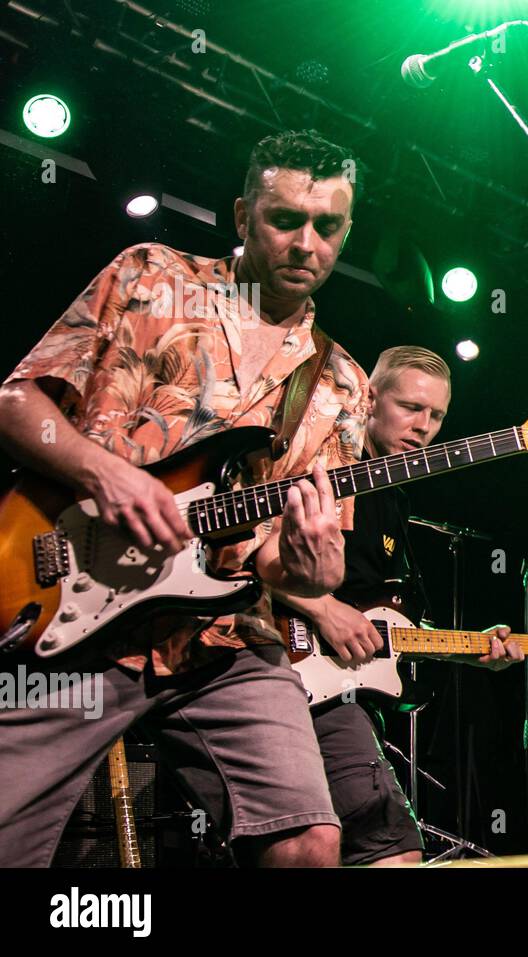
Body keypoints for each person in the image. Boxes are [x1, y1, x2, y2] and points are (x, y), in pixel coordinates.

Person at [0, 128, 370, 866]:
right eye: (284, 220)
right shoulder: (150, 274)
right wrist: (102, 473)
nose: (306, 242)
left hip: (223, 640)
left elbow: (281, 566)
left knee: (309, 840)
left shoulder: (342, 385)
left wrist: (312, 572)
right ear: (241, 217)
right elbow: (16, 404)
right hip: (68, 608)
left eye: (327, 226)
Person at [266, 346, 521, 865]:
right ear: (371, 397)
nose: (424, 427)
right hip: (272, 665)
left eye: (437, 416)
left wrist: (470, 650)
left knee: (368, 850)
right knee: (377, 851)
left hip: (335, 695)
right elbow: (240, 551)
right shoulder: (325, 461)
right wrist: (318, 608)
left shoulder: (393, 494)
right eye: (410, 408)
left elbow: (384, 618)